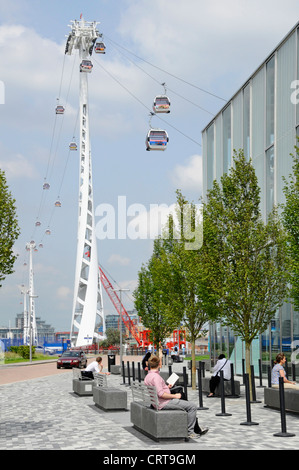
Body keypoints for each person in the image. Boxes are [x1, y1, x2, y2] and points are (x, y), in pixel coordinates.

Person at [144, 355, 209, 439]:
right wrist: (175, 395)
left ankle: (196, 427)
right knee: (192, 406)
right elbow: (161, 394)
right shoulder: (156, 377)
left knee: (185, 402)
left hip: (156, 402)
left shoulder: (148, 376)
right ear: (159, 364)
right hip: (164, 403)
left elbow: (158, 390)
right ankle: (190, 431)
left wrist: (167, 387)